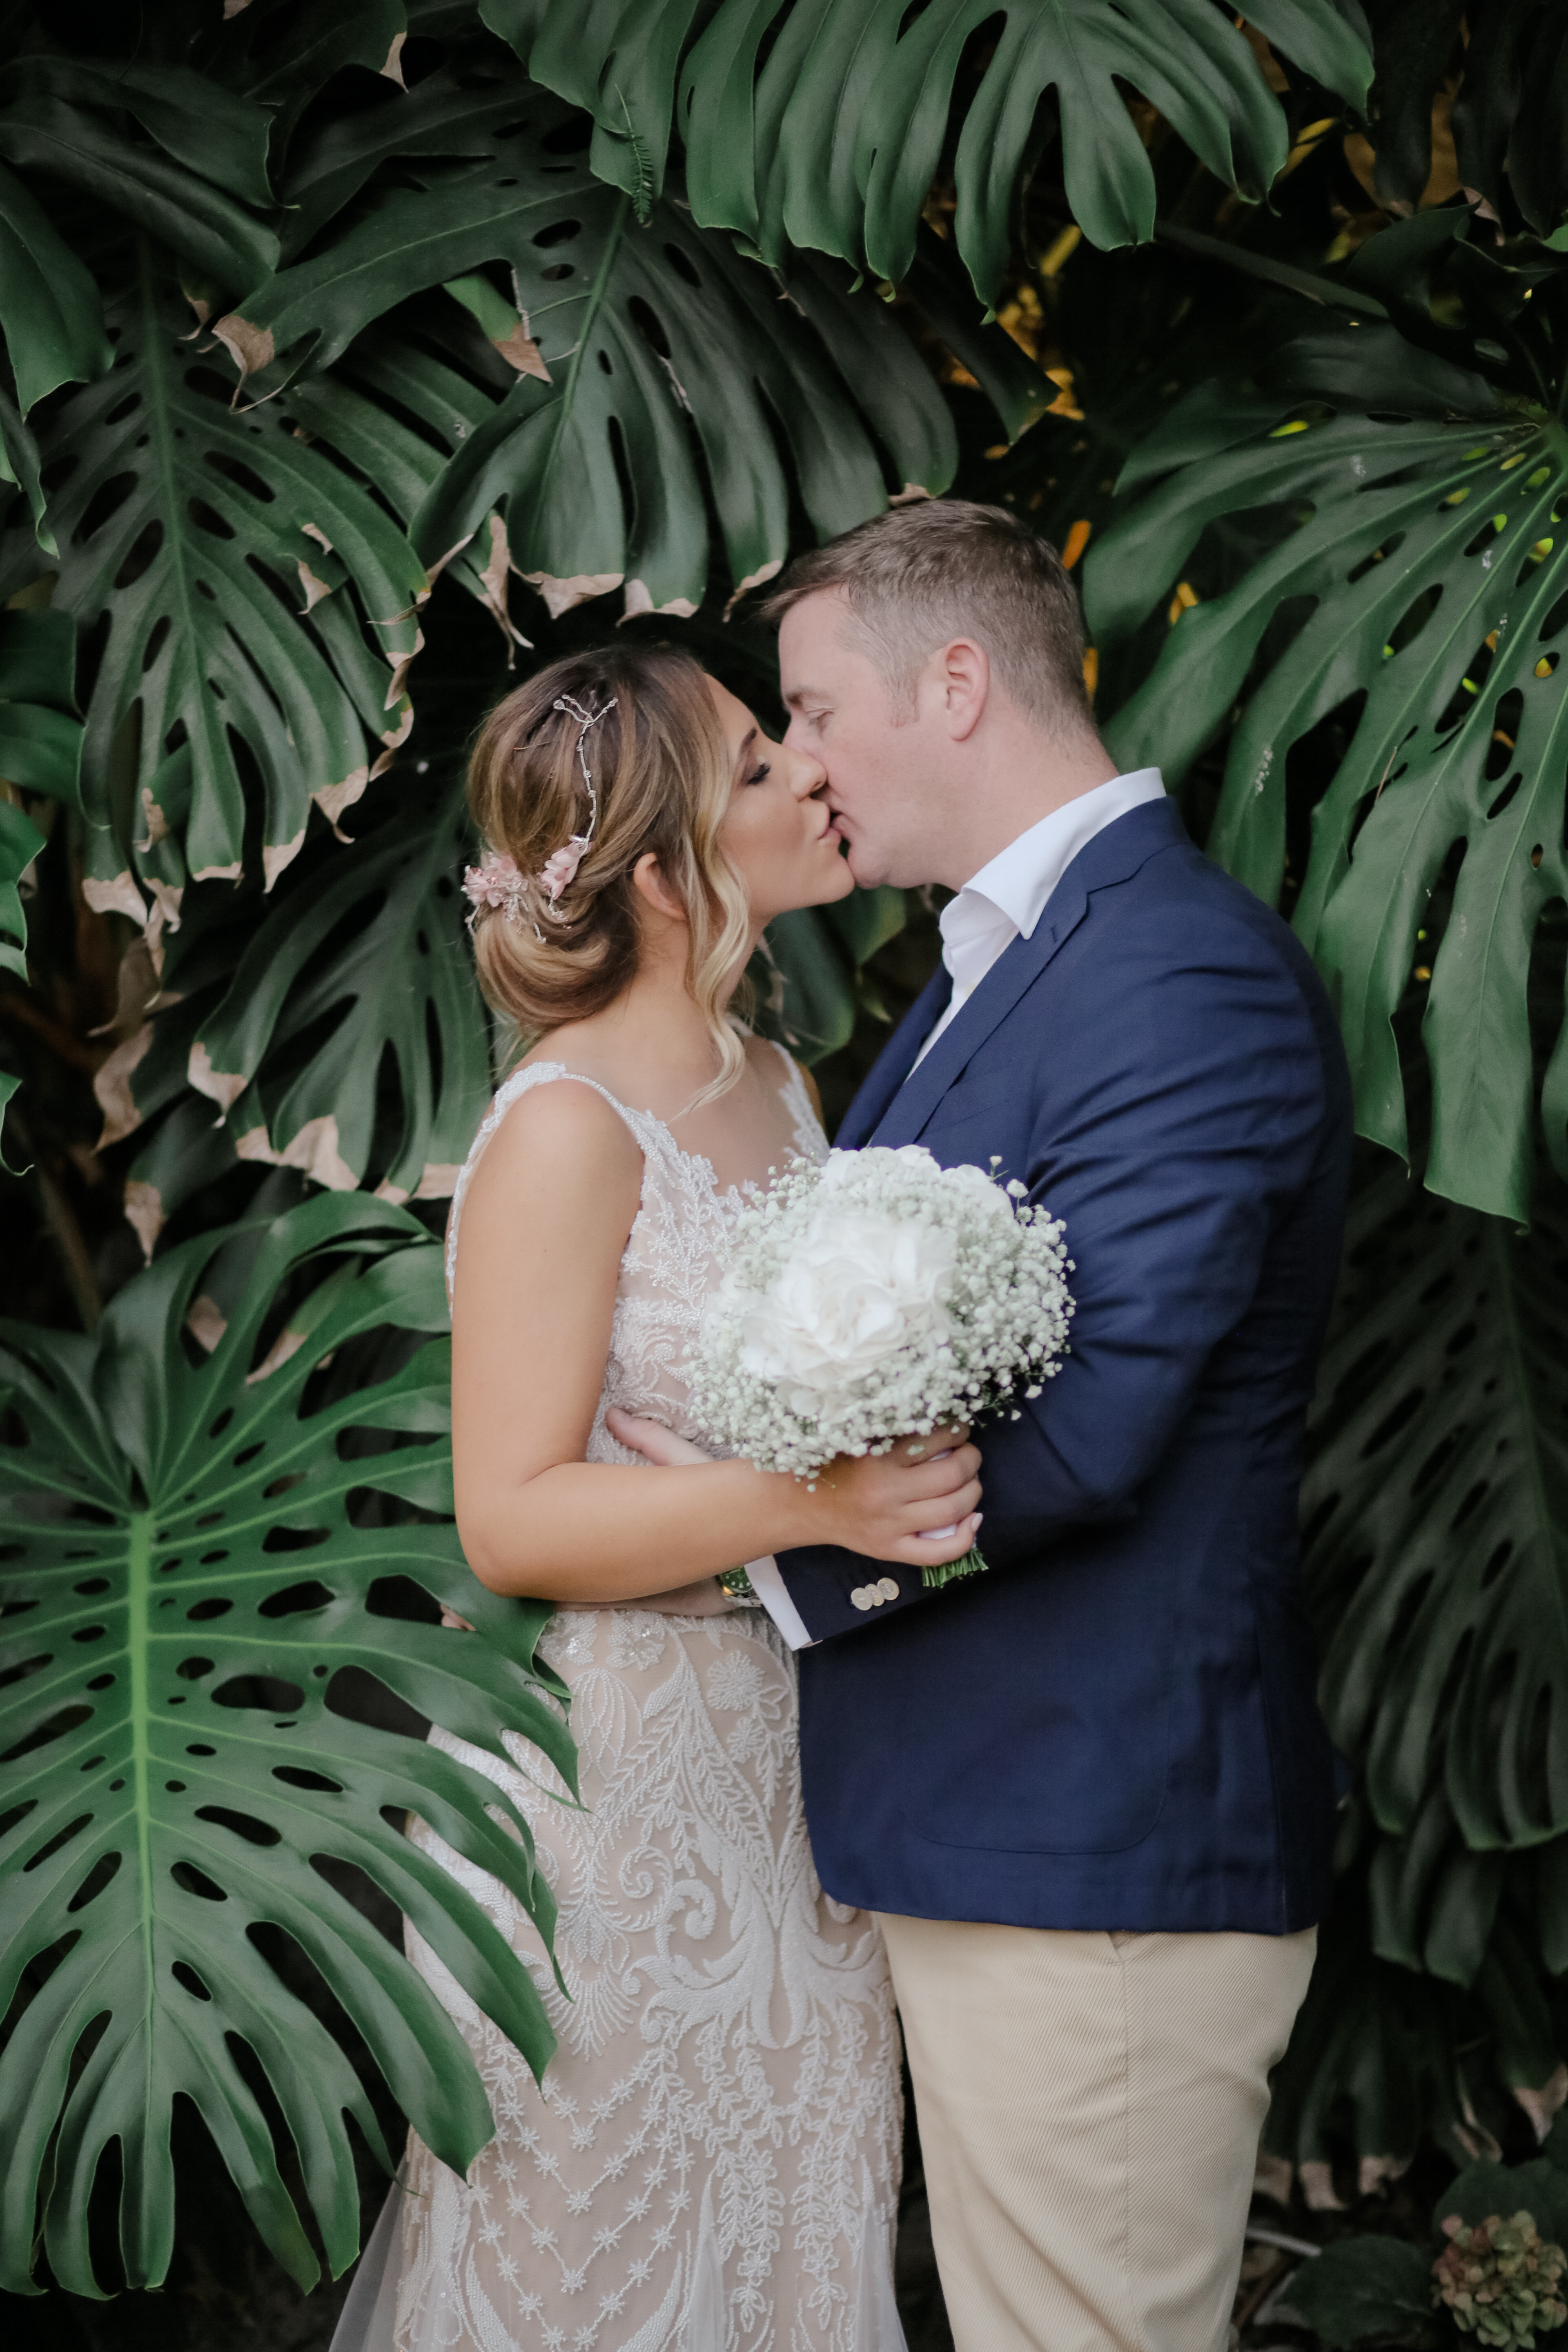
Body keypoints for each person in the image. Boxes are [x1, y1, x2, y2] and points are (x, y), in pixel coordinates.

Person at [626, 500, 1352, 2352]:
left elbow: (1098, 1425)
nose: (791, 762)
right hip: (985, 1833)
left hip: (1092, 1843)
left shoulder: (1169, 973)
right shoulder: (994, 964)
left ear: (956, 682)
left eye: (807, 707)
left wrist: (725, 1556)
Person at [342, 643, 983, 2352]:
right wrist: (819, 1500)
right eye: (765, 767)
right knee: (597, 2277)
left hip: (792, 1780)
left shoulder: (770, 1080)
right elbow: (514, 1520)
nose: (810, 778)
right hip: (607, 1805)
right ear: (662, 873)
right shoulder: (566, 1126)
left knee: (788, 2251)